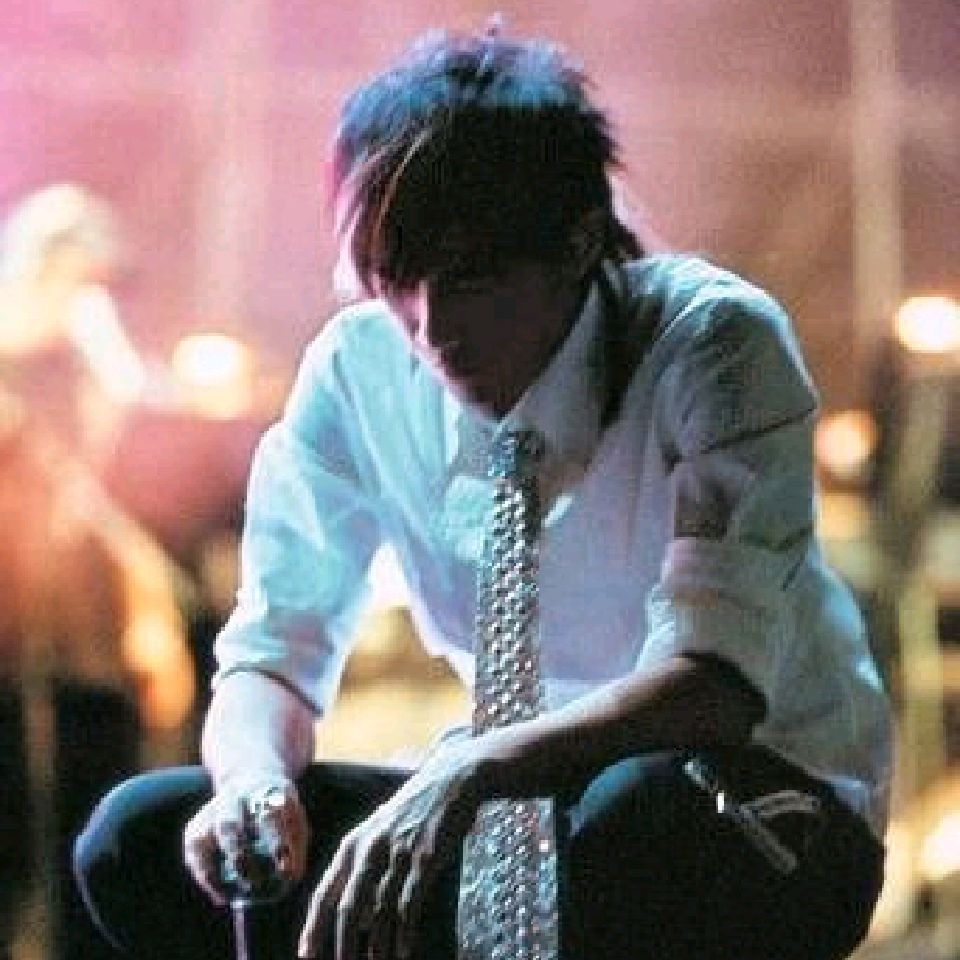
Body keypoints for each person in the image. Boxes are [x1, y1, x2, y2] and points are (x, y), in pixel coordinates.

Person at [74, 28, 892, 960]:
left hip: (761, 810)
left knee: (636, 814)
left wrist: (469, 770)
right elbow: (272, 657)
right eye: (395, 279)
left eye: (470, 278)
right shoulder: (358, 369)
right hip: (508, 809)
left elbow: (713, 686)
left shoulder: (712, 347)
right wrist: (253, 787)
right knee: (138, 837)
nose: (430, 325)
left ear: (578, 241)